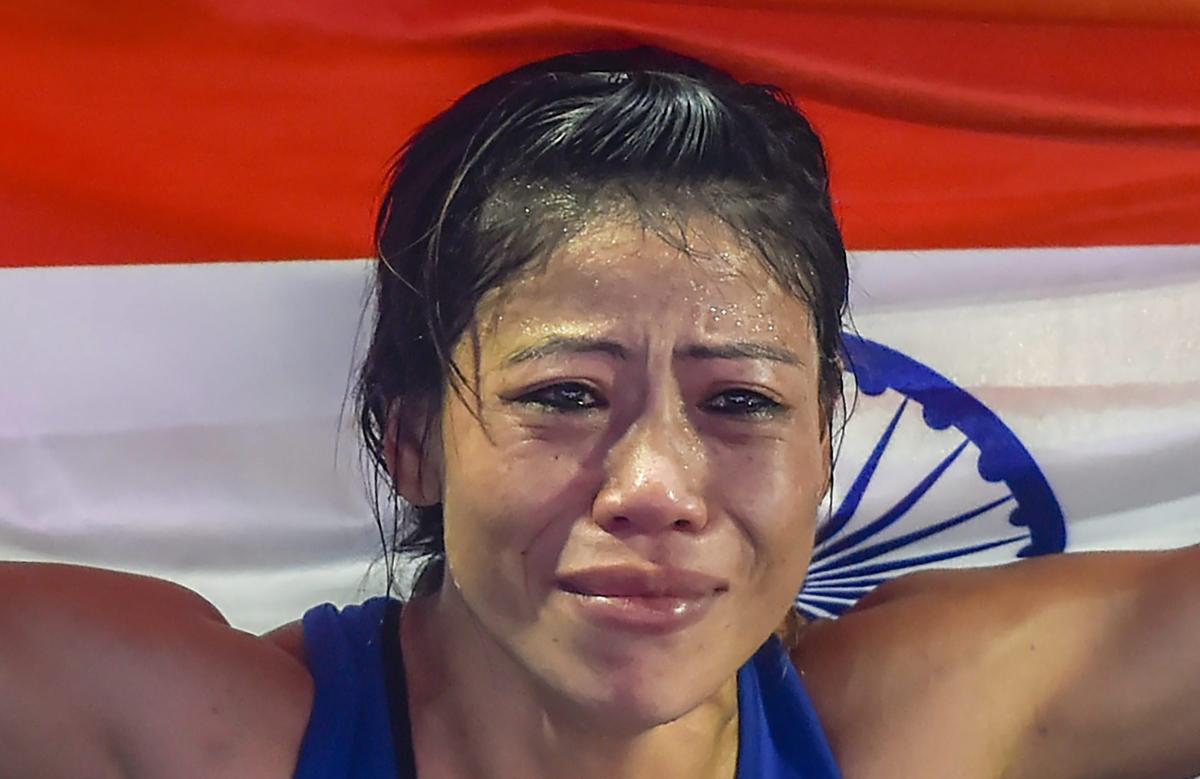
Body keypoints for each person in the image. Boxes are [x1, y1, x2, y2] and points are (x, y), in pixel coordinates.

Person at [2, 46, 1198, 779]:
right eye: (564, 396)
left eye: (739, 401)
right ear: (408, 436)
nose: (656, 488)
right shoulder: (209, 731)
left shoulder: (928, 717)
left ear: (825, 443)